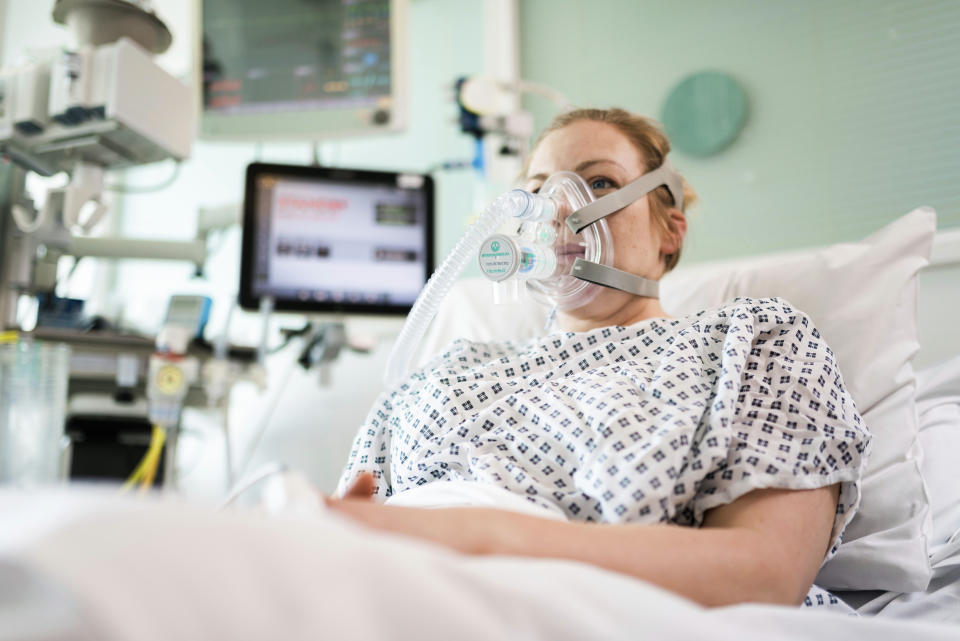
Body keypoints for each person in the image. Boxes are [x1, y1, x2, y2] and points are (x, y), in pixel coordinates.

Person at [328, 108, 871, 608]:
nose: (562, 209)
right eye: (539, 190)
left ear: (669, 233)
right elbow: (335, 529)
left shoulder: (750, 342)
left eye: (600, 182)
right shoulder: (446, 369)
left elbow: (766, 575)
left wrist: (482, 537)